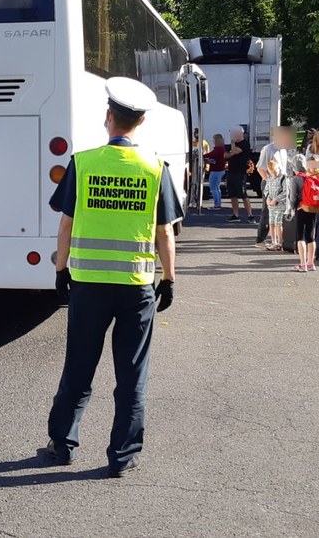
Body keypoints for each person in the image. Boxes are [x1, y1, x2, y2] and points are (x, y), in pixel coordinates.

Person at [45, 77, 182, 478]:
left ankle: (63, 444)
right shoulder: (156, 168)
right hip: (136, 289)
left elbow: (66, 224)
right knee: (132, 373)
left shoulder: (83, 163)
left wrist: (60, 270)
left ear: (109, 118)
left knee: (79, 367)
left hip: (88, 285)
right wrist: (169, 278)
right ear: (141, 122)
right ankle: (122, 457)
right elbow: (164, 232)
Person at [289, 154, 319, 271]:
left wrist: (292, 208)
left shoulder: (296, 179)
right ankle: (311, 263)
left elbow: (292, 198)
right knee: (311, 236)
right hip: (314, 207)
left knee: (300, 236)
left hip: (301, 208)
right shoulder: (316, 176)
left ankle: (302, 264)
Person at [224, 127, 254, 223]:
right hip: (231, 172)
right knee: (232, 194)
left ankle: (250, 215)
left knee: (243, 194)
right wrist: (232, 151)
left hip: (240, 173)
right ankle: (235, 215)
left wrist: (233, 146)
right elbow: (225, 155)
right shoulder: (231, 145)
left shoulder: (245, 143)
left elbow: (235, 151)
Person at [263, 156, 289, 251]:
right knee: (271, 223)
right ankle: (273, 241)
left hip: (280, 205)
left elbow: (286, 192)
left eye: (275, 171)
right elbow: (266, 190)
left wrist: (276, 199)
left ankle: (280, 242)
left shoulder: (283, 178)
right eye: (271, 171)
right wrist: (268, 199)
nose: (274, 173)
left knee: (278, 223)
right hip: (271, 205)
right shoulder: (270, 179)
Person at [202, 134, 227, 211]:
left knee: (213, 188)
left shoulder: (218, 149)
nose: (212, 141)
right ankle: (218, 204)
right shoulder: (222, 149)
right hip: (220, 170)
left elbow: (210, 155)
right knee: (217, 188)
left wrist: (202, 156)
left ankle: (216, 205)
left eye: (213, 139)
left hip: (216, 171)